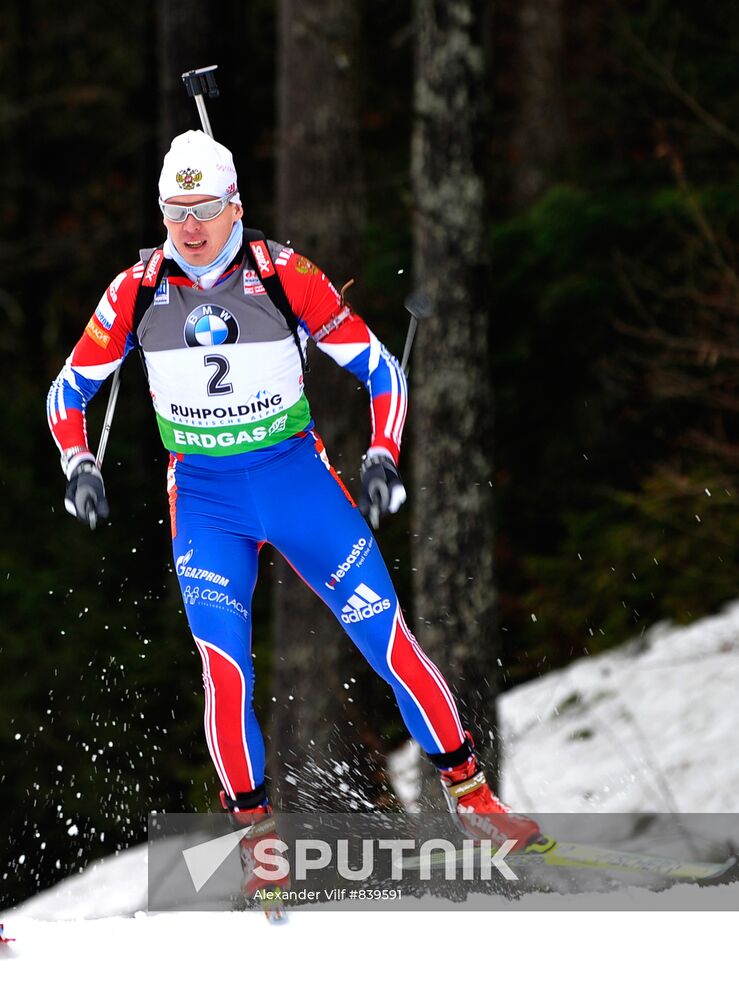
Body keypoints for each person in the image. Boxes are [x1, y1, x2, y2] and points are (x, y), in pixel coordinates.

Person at [47, 131, 540, 886]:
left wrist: (382, 455)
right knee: (225, 671)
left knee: (388, 639)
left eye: (204, 207)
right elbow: (66, 393)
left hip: (295, 483)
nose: (189, 226)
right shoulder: (136, 290)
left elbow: (383, 372)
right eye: (174, 210)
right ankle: (259, 841)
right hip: (207, 502)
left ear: (234, 205)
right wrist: (79, 463)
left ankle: (473, 801)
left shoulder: (282, 275)